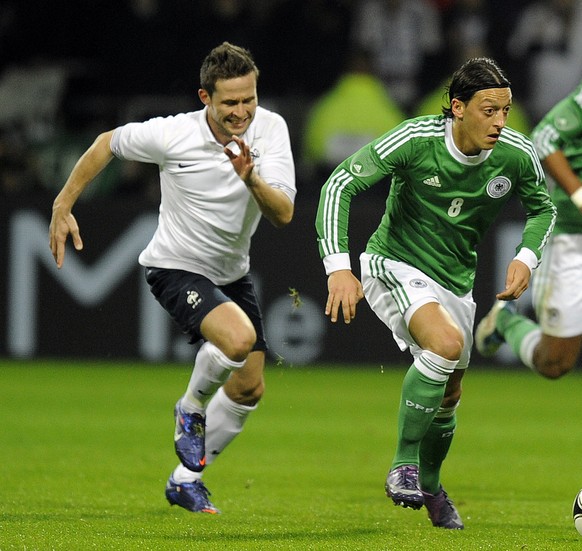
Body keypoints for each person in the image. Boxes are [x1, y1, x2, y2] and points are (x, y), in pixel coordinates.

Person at [48, 42, 296, 514]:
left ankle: (185, 480)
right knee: (238, 338)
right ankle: (191, 407)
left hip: (231, 274)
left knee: (249, 387)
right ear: (205, 98)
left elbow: (283, 213)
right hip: (175, 266)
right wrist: (63, 204)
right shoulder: (172, 135)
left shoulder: (272, 129)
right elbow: (107, 144)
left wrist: (251, 180)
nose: (242, 111)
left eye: (249, 99)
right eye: (230, 103)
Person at [315, 57, 556, 529]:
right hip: (393, 263)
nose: (500, 122)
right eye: (489, 110)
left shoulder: (515, 154)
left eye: (505, 110)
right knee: (444, 346)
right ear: (457, 107)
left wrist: (526, 258)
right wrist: (338, 268)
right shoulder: (416, 139)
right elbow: (340, 184)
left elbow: (542, 209)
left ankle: (430, 484)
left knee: (449, 394)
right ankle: (402, 464)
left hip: (455, 283)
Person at [476, 79, 582, 379]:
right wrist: (578, 195)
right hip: (573, 237)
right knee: (555, 363)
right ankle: (505, 322)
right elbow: (544, 138)